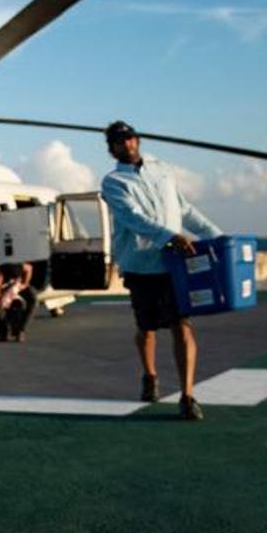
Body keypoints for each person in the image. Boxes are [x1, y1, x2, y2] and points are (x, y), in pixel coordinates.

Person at [99, 120, 221, 421]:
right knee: (147, 328)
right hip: (141, 265)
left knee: (182, 325)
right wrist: (171, 236)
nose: (124, 144)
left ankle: (187, 395)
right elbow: (132, 217)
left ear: (137, 139)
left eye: (128, 138)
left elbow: (183, 208)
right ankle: (150, 376)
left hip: (174, 264)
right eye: (117, 141)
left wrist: (216, 236)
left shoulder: (162, 169)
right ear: (111, 149)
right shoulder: (113, 182)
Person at [0, 261, 38, 342]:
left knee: (33, 299)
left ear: (0, 276)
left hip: (18, 286)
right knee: (0, 307)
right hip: (6, 291)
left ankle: (21, 330)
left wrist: (25, 284)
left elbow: (29, 268)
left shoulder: (13, 268)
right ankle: (3, 331)